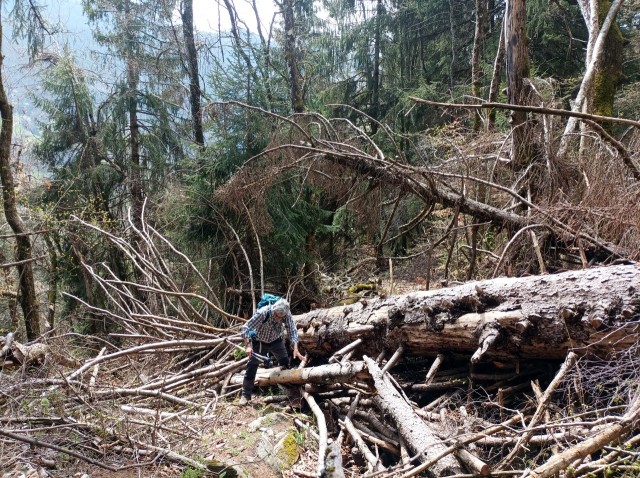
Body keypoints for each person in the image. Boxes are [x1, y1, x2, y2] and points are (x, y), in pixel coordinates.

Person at [239, 298, 305, 405]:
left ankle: (290, 391)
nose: (278, 318)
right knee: (252, 365)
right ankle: (246, 395)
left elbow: (292, 330)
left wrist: (296, 348)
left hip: (276, 341)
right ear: (273, 310)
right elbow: (246, 327)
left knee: (285, 362)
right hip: (259, 341)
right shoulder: (263, 313)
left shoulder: (286, 314)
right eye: (276, 315)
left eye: (280, 317)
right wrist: (248, 345)